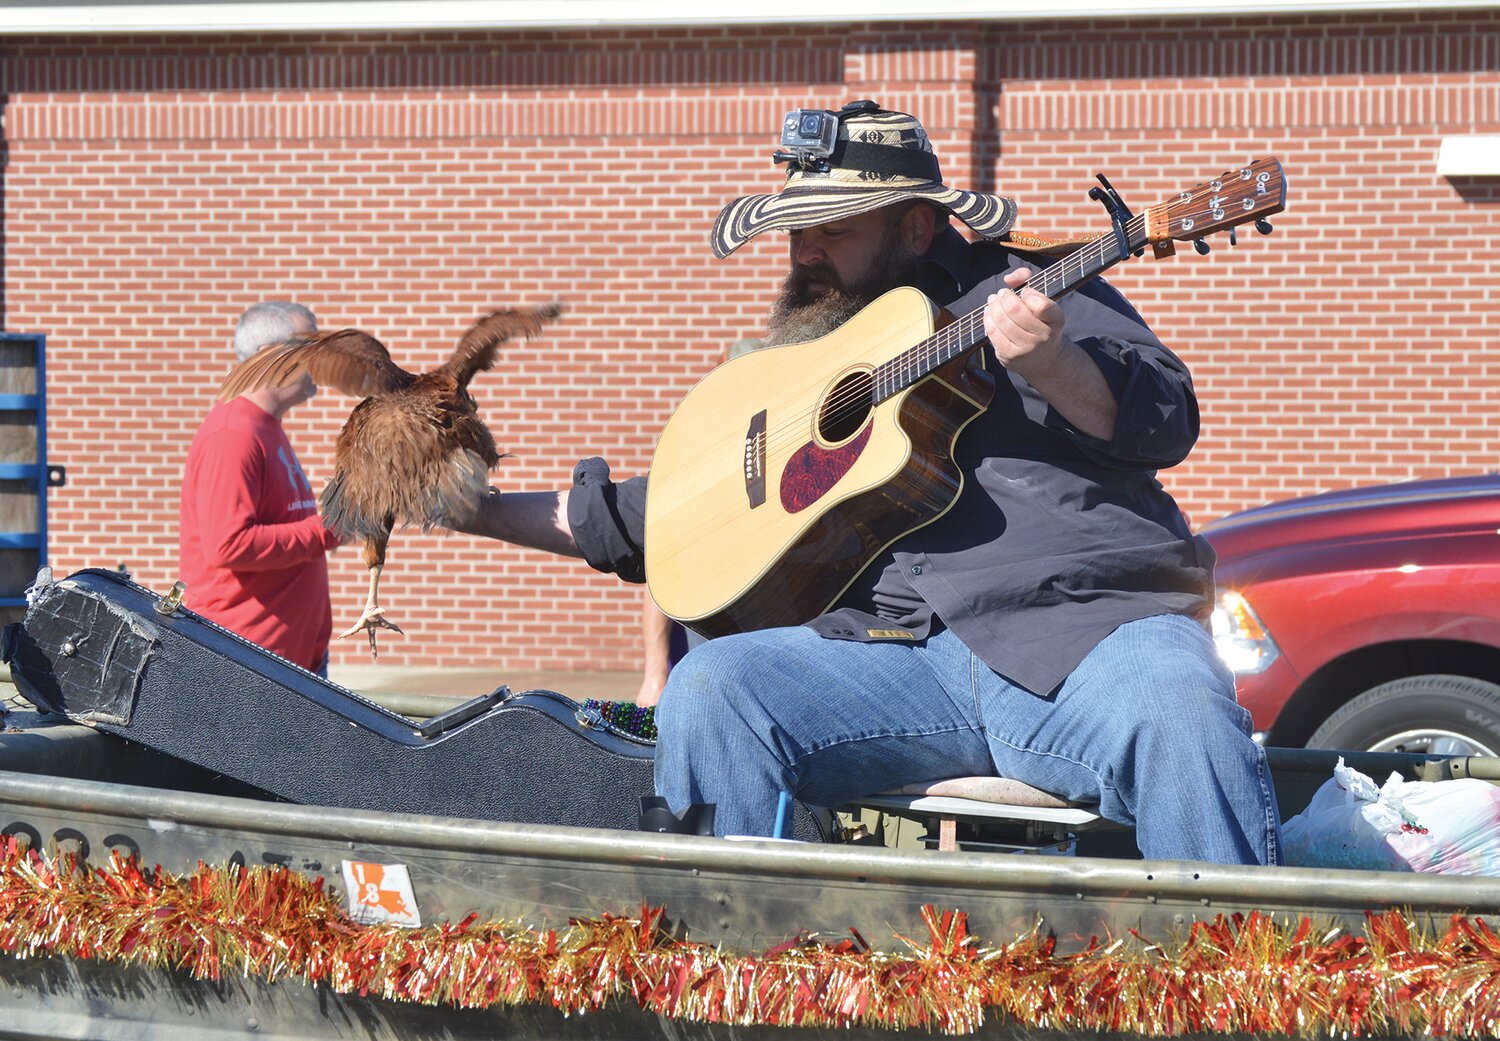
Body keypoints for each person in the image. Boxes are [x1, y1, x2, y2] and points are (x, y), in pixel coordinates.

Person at [457, 101, 1281, 865]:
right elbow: (661, 509)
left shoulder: (1026, 287)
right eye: (794, 233)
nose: (804, 252)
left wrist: (1055, 363)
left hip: (1085, 636)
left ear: (917, 225)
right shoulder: (806, 362)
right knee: (713, 688)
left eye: (831, 229)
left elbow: (1167, 416)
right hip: (894, 659)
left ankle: (1245, 986)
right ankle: (736, 993)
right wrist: (470, 507)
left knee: (1178, 701)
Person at [178, 301, 342, 676]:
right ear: (271, 356)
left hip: (283, 664)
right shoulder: (233, 435)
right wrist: (326, 531)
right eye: (310, 346)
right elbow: (228, 544)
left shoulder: (264, 426)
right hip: (245, 669)